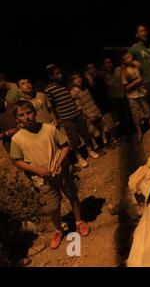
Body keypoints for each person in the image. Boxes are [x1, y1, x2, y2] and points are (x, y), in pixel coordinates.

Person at [9, 100, 90, 250]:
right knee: (53, 207)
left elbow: (65, 146)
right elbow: (17, 161)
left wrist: (59, 163)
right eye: (21, 115)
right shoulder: (17, 139)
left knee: (72, 196)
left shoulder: (49, 129)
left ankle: (79, 221)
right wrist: (36, 170)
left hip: (62, 172)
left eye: (29, 113)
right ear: (16, 119)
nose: (27, 117)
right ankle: (59, 229)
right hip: (42, 179)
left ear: (35, 112)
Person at [44, 64, 100, 168]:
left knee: (85, 133)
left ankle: (89, 151)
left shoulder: (66, 84)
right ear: (51, 76)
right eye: (57, 74)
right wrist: (56, 119)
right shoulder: (49, 89)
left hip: (77, 113)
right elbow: (51, 106)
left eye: (60, 73)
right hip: (65, 118)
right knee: (73, 139)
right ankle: (79, 157)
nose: (60, 75)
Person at [69, 72, 118, 151]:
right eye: (75, 78)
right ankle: (96, 147)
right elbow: (79, 108)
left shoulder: (84, 87)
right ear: (72, 82)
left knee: (102, 128)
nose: (78, 79)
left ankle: (105, 143)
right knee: (92, 132)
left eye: (79, 77)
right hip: (88, 115)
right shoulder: (74, 92)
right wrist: (88, 116)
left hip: (95, 110)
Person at [121, 53, 150, 143]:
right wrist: (136, 82)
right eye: (127, 57)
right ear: (124, 61)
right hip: (132, 96)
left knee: (147, 110)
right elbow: (126, 88)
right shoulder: (124, 72)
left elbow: (141, 68)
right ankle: (139, 133)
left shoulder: (136, 66)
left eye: (130, 56)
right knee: (135, 115)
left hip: (141, 93)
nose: (130, 58)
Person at [128, 25, 150, 128]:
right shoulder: (134, 49)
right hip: (147, 81)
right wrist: (134, 62)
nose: (144, 32)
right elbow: (126, 60)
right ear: (137, 34)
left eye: (145, 30)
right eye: (141, 31)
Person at [102, 57, 133, 139]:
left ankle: (132, 130)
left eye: (110, 62)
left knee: (128, 114)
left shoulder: (119, 69)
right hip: (113, 99)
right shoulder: (103, 74)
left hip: (123, 96)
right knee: (120, 117)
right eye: (106, 63)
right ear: (104, 65)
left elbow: (126, 69)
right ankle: (125, 133)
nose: (108, 64)